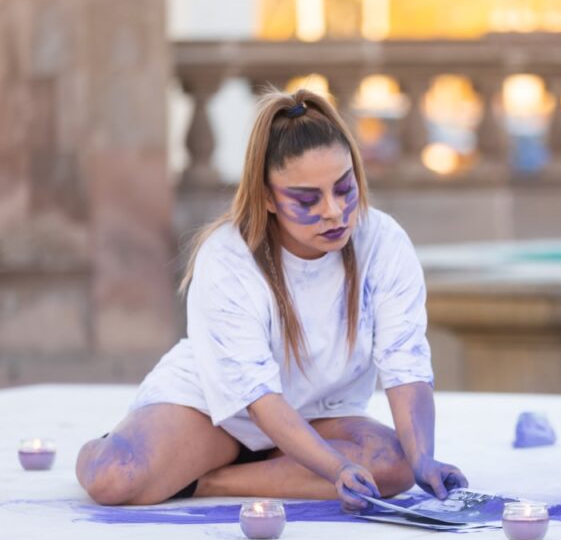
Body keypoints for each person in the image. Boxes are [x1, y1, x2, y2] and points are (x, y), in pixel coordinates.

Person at [76, 89, 467, 512]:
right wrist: (334, 467)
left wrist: (423, 456)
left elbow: (404, 361)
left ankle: (208, 483)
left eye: (344, 187)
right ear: (266, 196)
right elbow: (257, 398)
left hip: (319, 414)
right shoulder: (227, 257)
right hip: (217, 412)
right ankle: (125, 447)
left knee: (395, 468)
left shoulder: (383, 240)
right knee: (115, 477)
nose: (335, 211)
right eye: (307, 199)